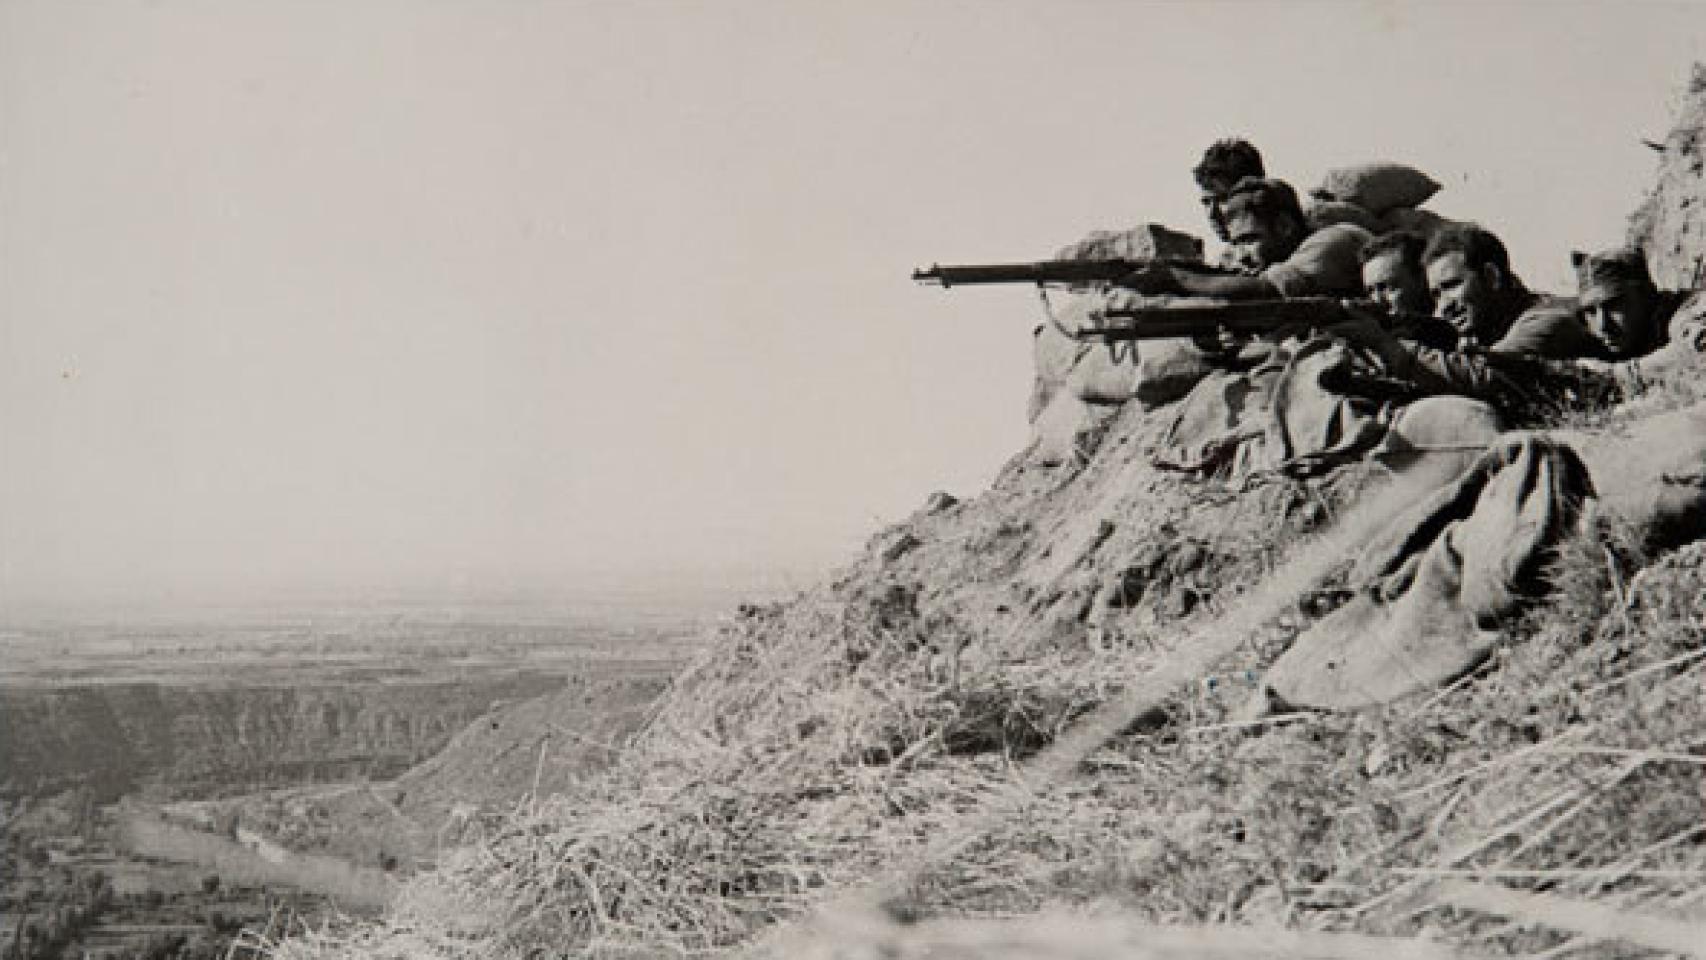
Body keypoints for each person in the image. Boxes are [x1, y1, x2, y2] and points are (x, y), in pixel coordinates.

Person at [1120, 177, 1371, 301]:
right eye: (1237, 243)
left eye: (1250, 239)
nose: (1242, 254)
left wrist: (1175, 278)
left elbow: (1268, 289)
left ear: (1284, 226)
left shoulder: (1334, 240)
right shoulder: (1282, 257)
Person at [1420, 224, 1592, 357]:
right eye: (1436, 295)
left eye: (1452, 285)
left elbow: (1483, 372)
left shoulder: (1543, 321)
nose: (1444, 306)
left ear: (1491, 277)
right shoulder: (1488, 333)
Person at [1192, 138, 1265, 244]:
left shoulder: (1293, 256)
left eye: (1223, 199)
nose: (1212, 214)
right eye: (1206, 203)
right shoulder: (1227, 259)